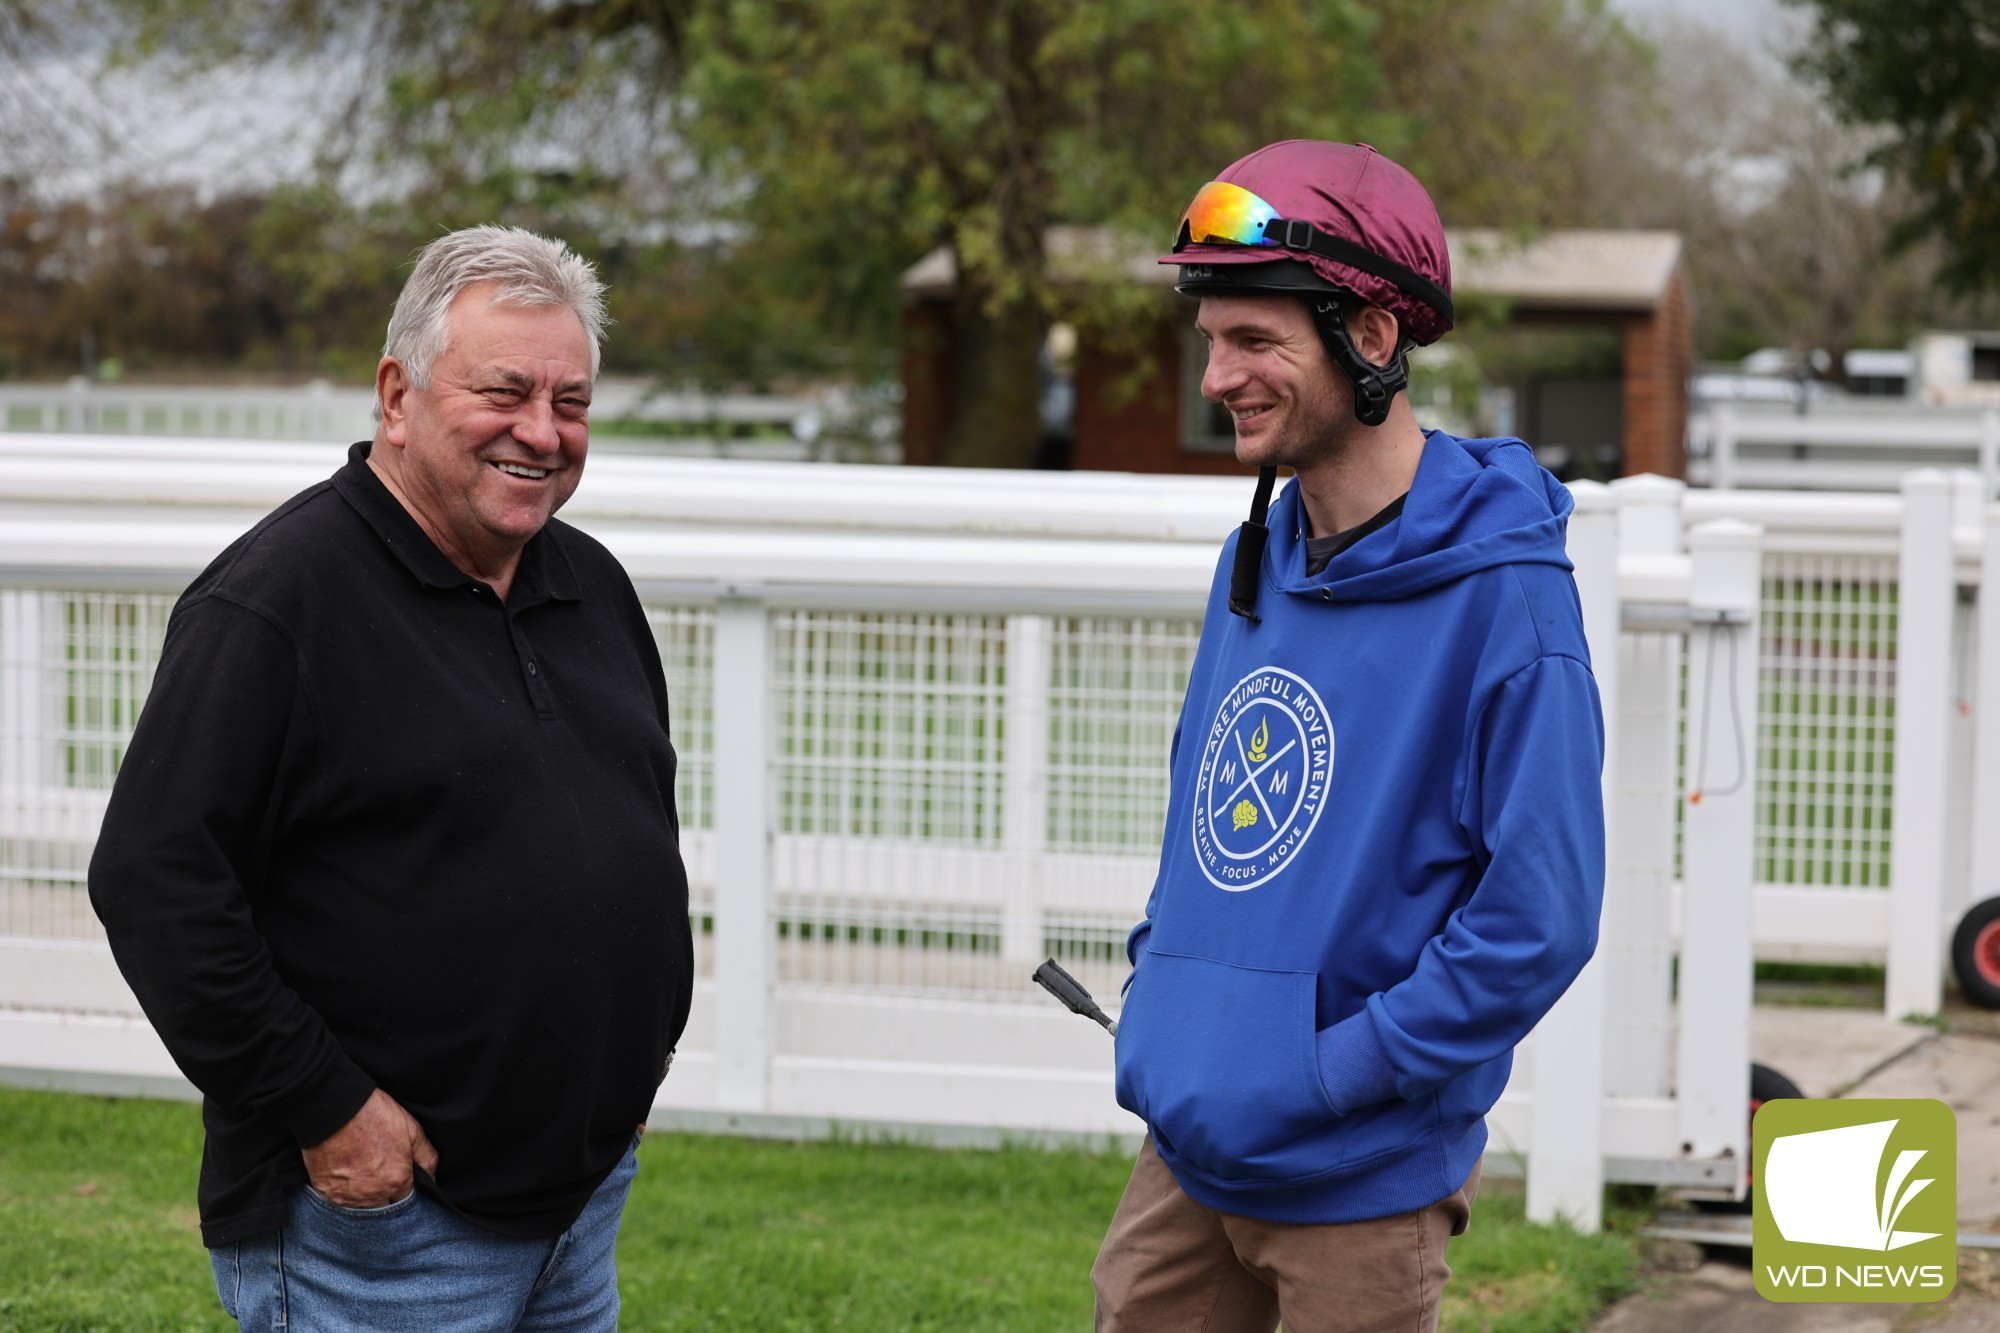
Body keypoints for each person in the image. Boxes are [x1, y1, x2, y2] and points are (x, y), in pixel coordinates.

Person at [88, 225, 694, 1331]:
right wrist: (327, 1107)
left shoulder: (590, 585)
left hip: (579, 1203)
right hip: (389, 1226)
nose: (542, 432)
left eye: (572, 402)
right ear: (396, 393)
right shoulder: (279, 604)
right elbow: (153, 880)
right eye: (504, 391)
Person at [1092, 141, 1606, 1332]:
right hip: (1187, 1157)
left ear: (1370, 339)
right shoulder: (1251, 560)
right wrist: (1165, 1003)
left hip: (1355, 1185)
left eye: (1255, 342)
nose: (1216, 376)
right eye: (1211, 339)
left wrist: (1332, 1072)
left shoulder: (1506, 600)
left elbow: (1538, 920)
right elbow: (1208, 823)